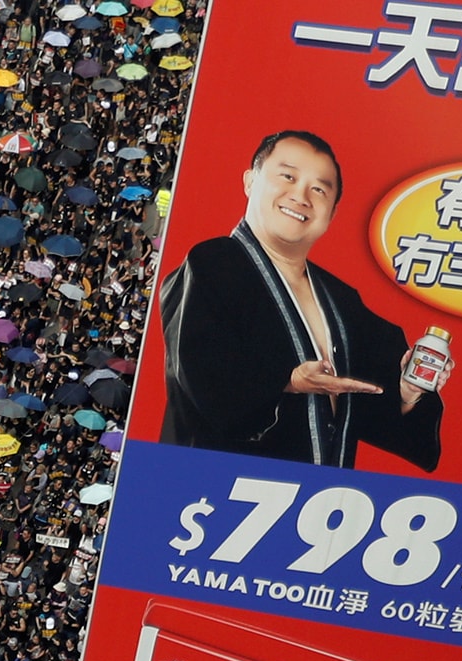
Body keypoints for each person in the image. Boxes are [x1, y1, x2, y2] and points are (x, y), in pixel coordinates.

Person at [156, 130, 444, 470]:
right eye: (288, 177)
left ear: (332, 213)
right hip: (214, 489)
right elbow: (201, 378)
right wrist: (288, 381)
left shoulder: (341, 300)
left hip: (318, 504)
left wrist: (408, 392)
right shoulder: (211, 263)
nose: (301, 196)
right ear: (251, 181)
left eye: (319, 189)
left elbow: (372, 413)